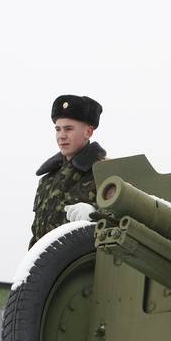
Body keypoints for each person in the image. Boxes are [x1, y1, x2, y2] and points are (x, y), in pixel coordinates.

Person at [28, 94, 107, 248]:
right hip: (49, 261)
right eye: (58, 129)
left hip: (88, 261)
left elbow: (128, 217)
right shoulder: (47, 180)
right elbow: (37, 235)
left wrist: (94, 212)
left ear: (88, 132)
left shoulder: (104, 172)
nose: (61, 136)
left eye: (69, 129)